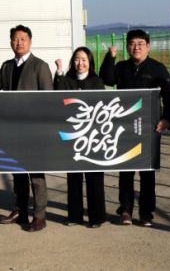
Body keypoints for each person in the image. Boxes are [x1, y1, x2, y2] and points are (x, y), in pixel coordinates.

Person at [99, 29, 170, 227]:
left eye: (140, 43)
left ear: (148, 46)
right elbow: (106, 78)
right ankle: (125, 210)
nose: (136, 47)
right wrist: (110, 57)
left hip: (149, 127)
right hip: (125, 126)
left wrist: (167, 118)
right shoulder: (122, 67)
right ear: (127, 47)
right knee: (126, 170)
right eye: (132, 44)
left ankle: (146, 213)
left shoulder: (158, 68)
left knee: (147, 172)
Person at [0, 24, 52, 232]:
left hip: (33, 130)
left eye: (23, 39)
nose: (19, 43)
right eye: (15, 39)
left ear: (30, 42)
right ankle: (19, 211)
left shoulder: (40, 66)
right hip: (13, 128)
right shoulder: (7, 66)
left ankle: (39, 216)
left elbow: (48, 99)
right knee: (17, 174)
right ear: (10, 42)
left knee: (36, 175)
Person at [54, 47, 106, 227]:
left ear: (90, 62)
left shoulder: (97, 81)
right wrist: (59, 73)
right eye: (77, 59)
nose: (80, 63)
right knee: (74, 178)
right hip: (73, 135)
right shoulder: (66, 80)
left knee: (94, 177)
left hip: (93, 135)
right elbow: (57, 98)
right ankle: (74, 216)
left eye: (84, 59)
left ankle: (97, 217)